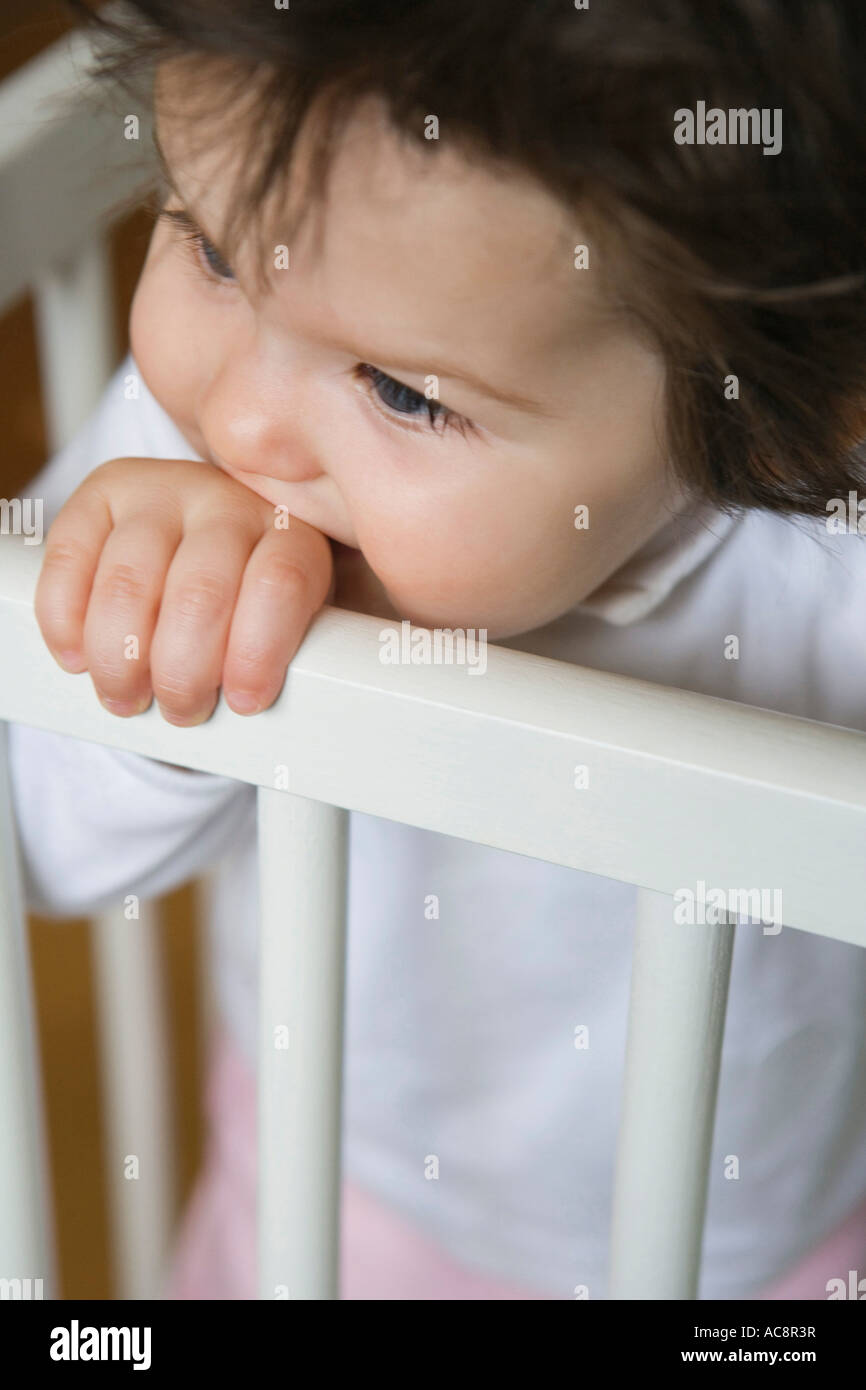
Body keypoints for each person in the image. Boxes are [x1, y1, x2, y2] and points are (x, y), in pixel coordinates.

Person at [12, 0, 866, 1298]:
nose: (241, 415)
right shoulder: (191, 468)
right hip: (318, 1185)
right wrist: (153, 655)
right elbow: (40, 832)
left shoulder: (827, 556)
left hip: (761, 1248)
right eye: (211, 251)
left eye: (403, 392)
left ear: (792, 419)